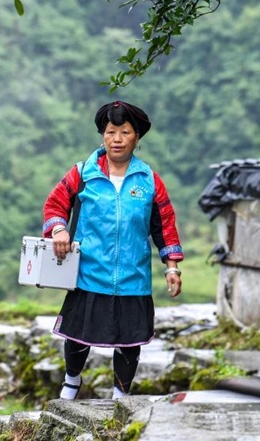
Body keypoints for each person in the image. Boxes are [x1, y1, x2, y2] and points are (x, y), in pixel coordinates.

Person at [42, 100, 184, 400]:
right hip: (89, 272)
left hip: (133, 277)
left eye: (124, 132)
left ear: (137, 137)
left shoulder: (149, 181)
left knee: (129, 340)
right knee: (79, 334)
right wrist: (59, 229)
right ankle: (71, 383)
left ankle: (120, 397)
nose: (116, 139)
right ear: (102, 136)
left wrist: (172, 267)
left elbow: (165, 225)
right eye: (110, 132)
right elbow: (55, 204)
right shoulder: (83, 173)